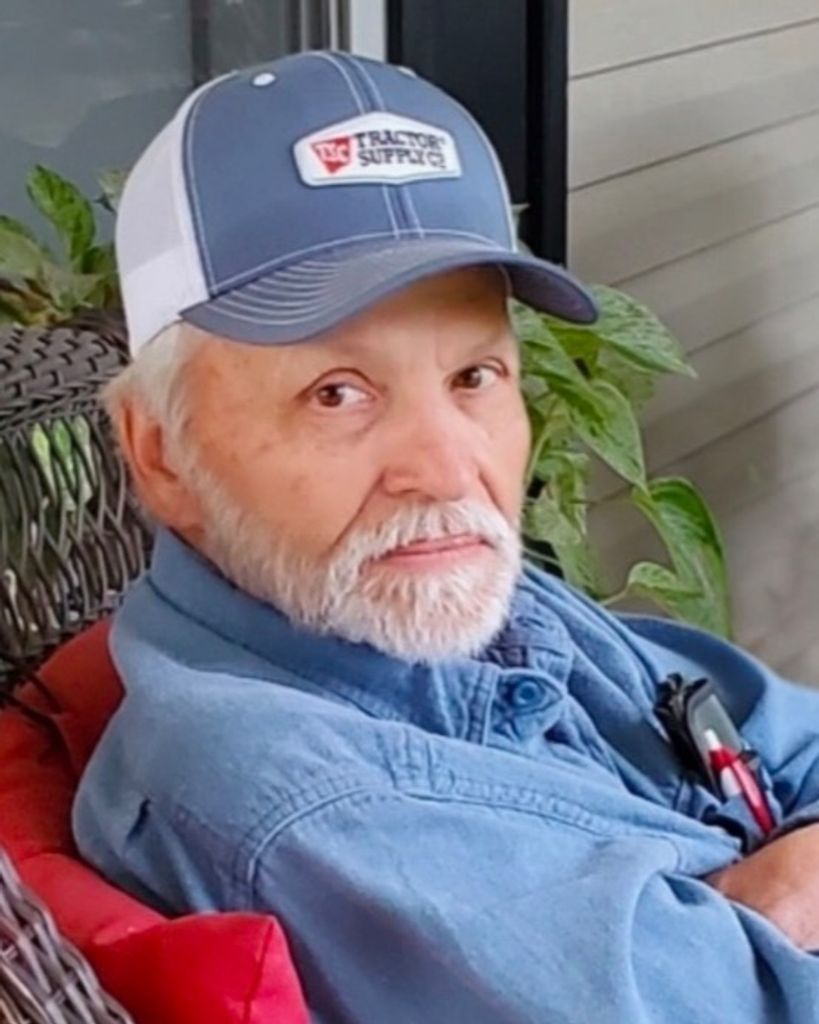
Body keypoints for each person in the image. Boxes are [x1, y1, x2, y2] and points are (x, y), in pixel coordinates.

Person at [74, 51, 819, 1024]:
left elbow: (784, 736)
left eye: (474, 377)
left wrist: (778, 890)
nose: (446, 468)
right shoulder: (298, 797)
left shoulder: (431, 598)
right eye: (337, 393)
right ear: (160, 452)